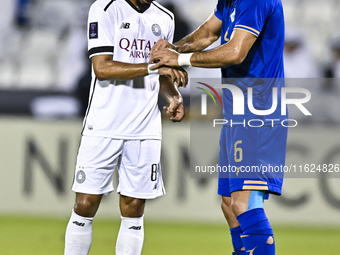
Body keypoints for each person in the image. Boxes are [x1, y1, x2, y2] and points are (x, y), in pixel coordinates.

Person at [150, 0, 287, 254]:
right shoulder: (229, 2)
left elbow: (236, 51)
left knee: (244, 205)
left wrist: (179, 58)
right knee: (229, 205)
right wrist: (170, 53)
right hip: (237, 113)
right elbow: (208, 33)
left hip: (259, 113)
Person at [64, 0, 187, 254]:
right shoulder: (105, 8)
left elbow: (162, 75)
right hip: (104, 123)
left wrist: (173, 96)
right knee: (85, 203)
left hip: (144, 126)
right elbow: (102, 68)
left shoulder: (165, 17)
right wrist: (153, 67)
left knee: (134, 207)